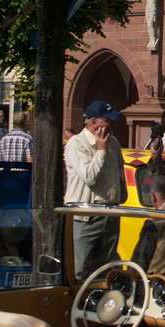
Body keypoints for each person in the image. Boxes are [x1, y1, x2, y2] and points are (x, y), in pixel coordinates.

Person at [65, 100, 128, 278]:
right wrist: (100, 150)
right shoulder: (77, 144)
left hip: (111, 211)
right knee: (79, 267)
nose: (112, 124)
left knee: (106, 268)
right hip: (86, 215)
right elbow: (89, 177)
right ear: (94, 122)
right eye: (108, 121)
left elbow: (120, 169)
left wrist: (120, 193)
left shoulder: (113, 141)